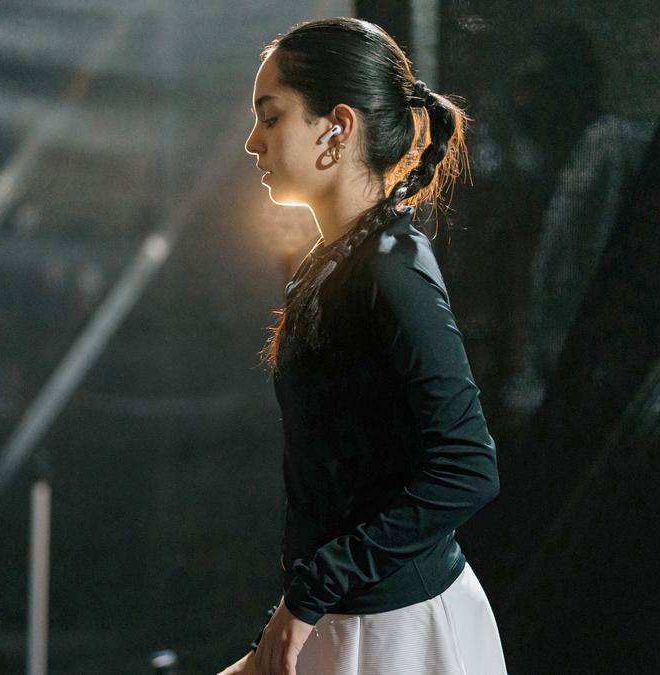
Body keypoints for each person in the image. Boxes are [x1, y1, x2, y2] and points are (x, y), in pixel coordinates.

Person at [216, 18, 507, 675]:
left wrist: (311, 594)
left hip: (402, 633)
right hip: (345, 620)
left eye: (271, 117)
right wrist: (289, 620)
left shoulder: (391, 266)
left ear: (337, 127)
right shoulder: (333, 262)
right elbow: (339, 483)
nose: (253, 141)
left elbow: (468, 468)